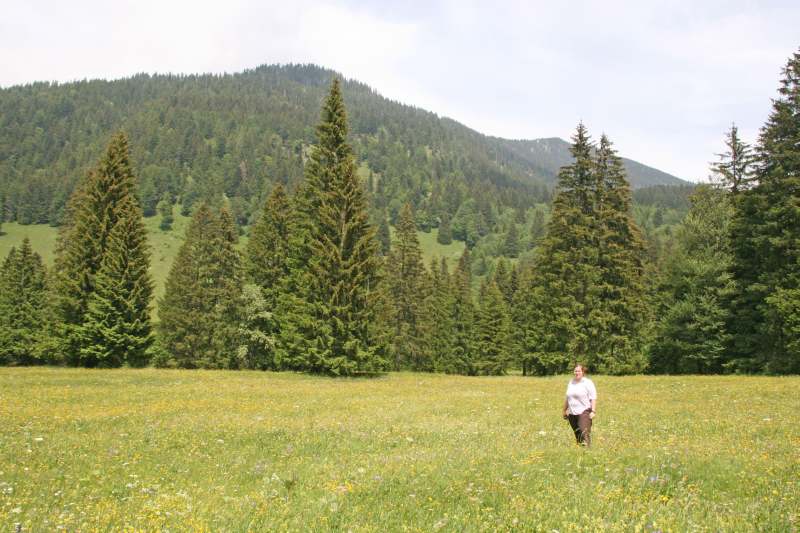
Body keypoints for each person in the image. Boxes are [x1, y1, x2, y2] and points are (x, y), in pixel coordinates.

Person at [562, 364, 597, 446]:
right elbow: (568, 397)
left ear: (583, 372)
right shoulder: (571, 382)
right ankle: (580, 453)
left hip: (584, 412)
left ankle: (588, 452)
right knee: (577, 435)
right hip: (572, 413)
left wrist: (593, 411)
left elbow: (593, 397)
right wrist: (564, 410)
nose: (577, 372)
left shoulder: (588, 382)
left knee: (584, 432)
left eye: (579, 371)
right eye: (575, 371)